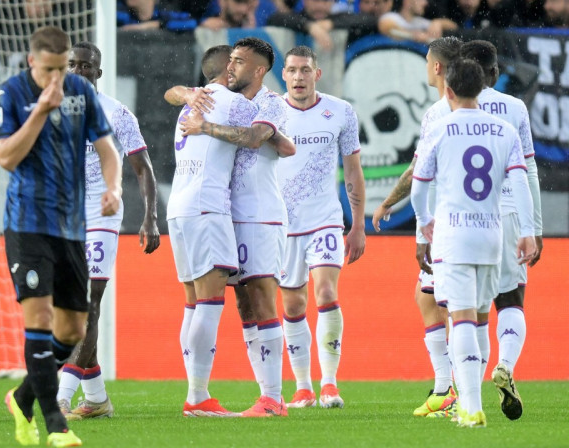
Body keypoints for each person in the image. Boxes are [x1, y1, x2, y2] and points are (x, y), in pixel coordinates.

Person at [0, 26, 121, 447]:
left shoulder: (81, 91)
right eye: (49, 70)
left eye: (62, 69)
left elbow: (107, 149)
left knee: (73, 330)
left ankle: (22, 396)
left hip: (71, 228)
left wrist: (113, 188)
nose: (57, 79)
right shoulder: (9, 95)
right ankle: (56, 425)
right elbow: (6, 157)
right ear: (32, 62)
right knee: (41, 320)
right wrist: (41, 110)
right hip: (27, 224)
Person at [411, 57, 536, 428]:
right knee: (482, 319)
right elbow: (520, 183)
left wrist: (424, 222)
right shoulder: (504, 130)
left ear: (448, 90)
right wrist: (527, 230)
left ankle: (469, 405)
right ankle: (472, 398)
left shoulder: (440, 127)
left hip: (454, 233)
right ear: (481, 89)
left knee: (461, 317)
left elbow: (420, 188)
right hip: (492, 234)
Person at [175, 37, 296, 417]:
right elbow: (173, 92)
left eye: (240, 62)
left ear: (259, 70)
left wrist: (205, 126)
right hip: (225, 213)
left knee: (260, 298)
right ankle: (263, 395)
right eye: (230, 61)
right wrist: (185, 95)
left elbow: (256, 139)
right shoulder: (217, 99)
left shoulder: (270, 102)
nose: (232, 67)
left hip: (259, 214)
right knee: (243, 306)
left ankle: (274, 398)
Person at [56, 41, 161, 420]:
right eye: (73, 65)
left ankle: (61, 396)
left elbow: (143, 167)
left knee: (88, 304)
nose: (78, 71)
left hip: (102, 213)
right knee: (65, 308)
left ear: (98, 73)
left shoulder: (117, 113)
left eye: (86, 66)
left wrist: (149, 217)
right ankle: (97, 398)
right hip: (64, 217)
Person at [371, 36, 462, 418]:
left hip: (447, 221)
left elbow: (418, 170)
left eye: (427, 61)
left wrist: (390, 202)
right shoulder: (491, 108)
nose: (426, 66)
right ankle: (449, 386)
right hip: (483, 218)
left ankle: (451, 389)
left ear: (438, 68)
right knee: (434, 299)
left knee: (451, 305)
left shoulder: (439, 113)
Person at [166, 44, 257, 417]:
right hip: (207, 207)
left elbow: (171, 92)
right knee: (209, 301)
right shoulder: (235, 104)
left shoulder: (192, 103)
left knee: (192, 303)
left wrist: (183, 92)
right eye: (236, 65)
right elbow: (259, 136)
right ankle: (198, 396)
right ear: (227, 72)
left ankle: (195, 393)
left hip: (179, 208)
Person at [276, 45, 366, 409]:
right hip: (281, 225)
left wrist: (357, 224)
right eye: (292, 70)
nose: (299, 77)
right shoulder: (269, 112)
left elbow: (353, 171)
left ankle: (329, 384)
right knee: (293, 304)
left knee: (326, 293)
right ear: (283, 75)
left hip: (325, 219)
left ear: (318, 73)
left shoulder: (340, 112)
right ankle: (303, 387)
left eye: (305, 70)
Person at [459, 39, 543, 421]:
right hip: (510, 211)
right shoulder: (514, 107)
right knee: (511, 300)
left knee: (472, 313)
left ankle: (471, 398)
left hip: (466, 217)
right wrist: (534, 227)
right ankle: (505, 364)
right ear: (494, 73)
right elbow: (528, 170)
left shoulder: (449, 108)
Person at [378, 0, 456, 44]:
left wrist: (438, 23)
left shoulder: (420, 22)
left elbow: (454, 27)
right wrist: (413, 35)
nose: (425, 3)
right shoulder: (393, 17)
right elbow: (385, 26)